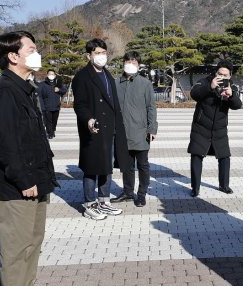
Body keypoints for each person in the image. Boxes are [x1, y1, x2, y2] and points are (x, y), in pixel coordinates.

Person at [0, 31, 57, 286]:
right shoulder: (5, 91)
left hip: (37, 177)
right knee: (16, 243)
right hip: (20, 183)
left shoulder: (24, 87)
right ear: (13, 56)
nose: (36, 53)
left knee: (32, 239)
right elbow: (5, 143)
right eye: (31, 49)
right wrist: (24, 180)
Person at [71, 38, 130, 220]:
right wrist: (88, 119)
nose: (101, 56)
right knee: (91, 166)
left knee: (107, 165)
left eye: (104, 53)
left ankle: (104, 201)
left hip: (110, 127)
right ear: (89, 55)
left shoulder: (108, 75)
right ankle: (90, 203)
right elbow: (79, 105)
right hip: (93, 128)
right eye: (97, 53)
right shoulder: (82, 77)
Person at [188, 60, 242, 197]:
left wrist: (231, 96)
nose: (222, 77)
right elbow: (194, 94)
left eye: (225, 75)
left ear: (230, 76)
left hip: (220, 128)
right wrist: (210, 87)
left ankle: (224, 186)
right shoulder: (205, 81)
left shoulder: (232, 87)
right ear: (215, 72)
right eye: (219, 74)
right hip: (201, 127)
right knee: (197, 155)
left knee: (224, 156)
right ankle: (195, 188)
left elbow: (237, 105)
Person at [112, 51, 158, 207]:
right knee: (127, 165)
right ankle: (127, 192)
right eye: (128, 61)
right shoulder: (116, 83)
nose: (130, 64)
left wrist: (152, 128)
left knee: (143, 165)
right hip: (121, 132)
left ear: (138, 65)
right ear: (123, 63)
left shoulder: (145, 84)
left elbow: (151, 107)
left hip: (141, 132)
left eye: (134, 62)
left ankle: (142, 194)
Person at [38, 69, 67, 139]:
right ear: (47, 75)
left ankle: (53, 130)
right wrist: (42, 106)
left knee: (54, 121)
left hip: (56, 106)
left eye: (52, 74)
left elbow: (64, 91)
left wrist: (59, 90)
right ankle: (50, 133)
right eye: (49, 74)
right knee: (48, 122)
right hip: (47, 106)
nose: (51, 75)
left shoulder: (58, 84)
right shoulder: (42, 84)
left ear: (55, 75)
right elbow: (40, 96)